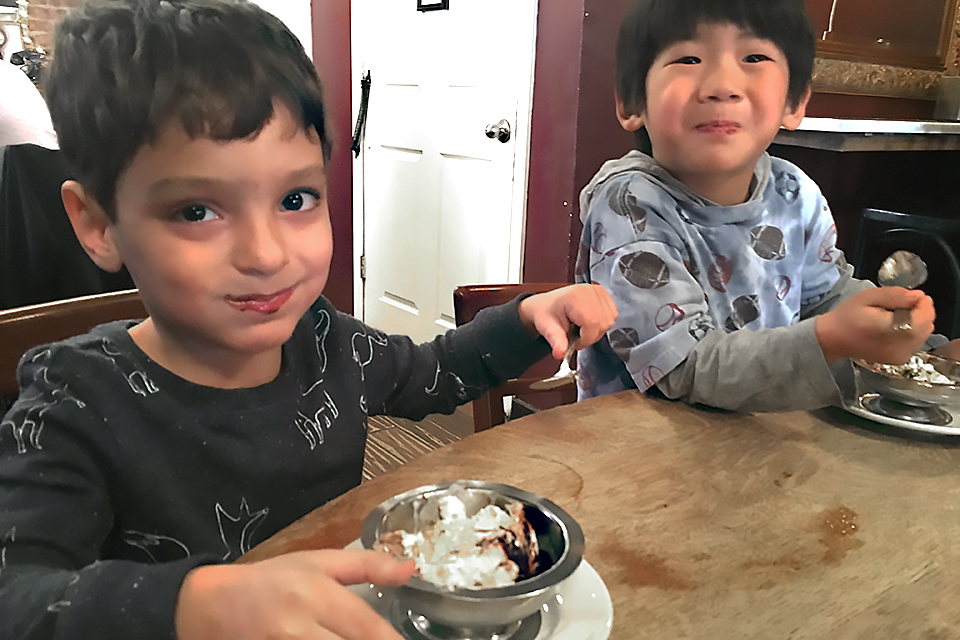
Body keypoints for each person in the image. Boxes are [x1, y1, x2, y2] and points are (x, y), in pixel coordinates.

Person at [0, 2, 617, 639]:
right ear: (98, 224)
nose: (266, 255)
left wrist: (527, 319)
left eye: (295, 199)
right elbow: (14, 594)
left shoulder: (327, 343)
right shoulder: (74, 402)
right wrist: (189, 605)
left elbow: (440, 370)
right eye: (196, 211)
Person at [574, 0, 944, 412]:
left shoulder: (793, 193)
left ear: (794, 103)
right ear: (632, 102)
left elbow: (826, 296)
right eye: (689, 59)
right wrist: (829, 338)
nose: (722, 85)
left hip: (765, 437)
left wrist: (920, 343)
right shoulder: (630, 205)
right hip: (641, 444)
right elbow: (685, 369)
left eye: (754, 57)